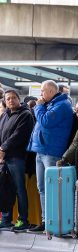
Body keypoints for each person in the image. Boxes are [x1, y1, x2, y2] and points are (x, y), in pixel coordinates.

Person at [27, 80, 74, 232]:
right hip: (41, 151)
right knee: (42, 187)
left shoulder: (62, 105)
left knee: (53, 188)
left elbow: (46, 121)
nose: (40, 94)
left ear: (51, 91)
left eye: (42, 91)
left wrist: (39, 107)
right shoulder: (51, 104)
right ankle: (46, 221)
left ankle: (55, 221)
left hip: (52, 152)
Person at [0, 90, 35, 232]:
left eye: (14, 98)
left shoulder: (25, 115)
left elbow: (19, 135)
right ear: (5, 101)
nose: (11, 100)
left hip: (17, 157)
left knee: (20, 189)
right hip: (5, 157)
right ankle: (6, 219)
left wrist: (3, 147)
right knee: (5, 188)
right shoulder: (4, 115)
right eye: (8, 98)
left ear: (18, 99)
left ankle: (23, 220)